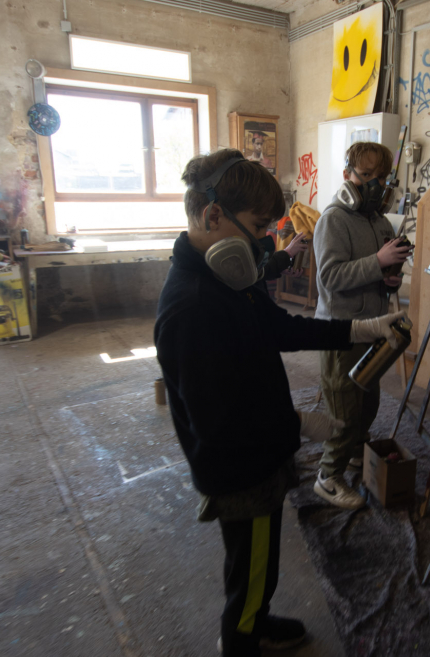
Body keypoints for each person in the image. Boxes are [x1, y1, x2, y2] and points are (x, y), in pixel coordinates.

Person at [154, 148, 407, 657]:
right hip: (239, 467)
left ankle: (257, 619)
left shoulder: (228, 279)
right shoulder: (192, 307)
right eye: (258, 227)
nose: (266, 241)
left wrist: (360, 329)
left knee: (258, 560)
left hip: (260, 452)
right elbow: (217, 423)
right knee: (251, 564)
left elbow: (281, 329)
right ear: (212, 215)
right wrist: (296, 423)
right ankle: (242, 639)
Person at [312, 141, 414, 510]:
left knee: (367, 402)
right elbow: (330, 277)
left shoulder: (380, 221)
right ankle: (328, 477)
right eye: (366, 174)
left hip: (374, 328)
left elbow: (380, 273)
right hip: (340, 329)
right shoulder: (333, 220)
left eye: (381, 177)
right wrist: (377, 261)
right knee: (344, 409)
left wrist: (390, 279)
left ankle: (356, 452)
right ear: (347, 175)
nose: (375, 183)